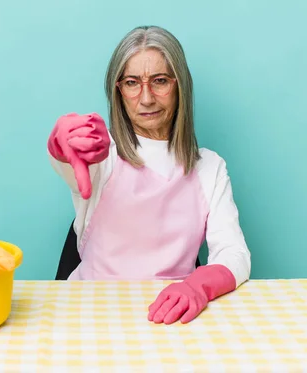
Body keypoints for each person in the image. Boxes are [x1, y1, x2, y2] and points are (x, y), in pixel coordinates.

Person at [47, 25, 251, 325]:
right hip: (89, 314)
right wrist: (60, 147)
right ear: (118, 90)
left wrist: (198, 285)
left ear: (180, 85)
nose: (146, 98)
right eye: (132, 82)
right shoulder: (103, 156)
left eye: (159, 81)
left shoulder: (209, 167)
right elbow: (69, 163)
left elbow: (235, 253)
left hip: (171, 317)